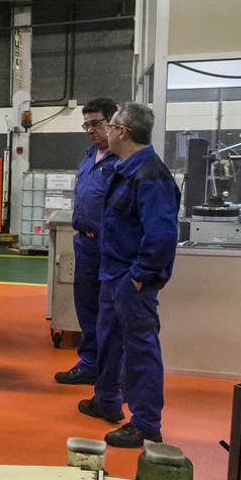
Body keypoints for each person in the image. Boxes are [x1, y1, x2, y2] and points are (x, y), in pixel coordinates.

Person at [75, 102, 180, 448]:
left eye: (109, 125)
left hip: (131, 278)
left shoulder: (150, 174)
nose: (101, 131)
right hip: (112, 271)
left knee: (139, 348)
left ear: (121, 132)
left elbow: (162, 233)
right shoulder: (124, 168)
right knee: (108, 339)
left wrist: (143, 274)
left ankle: (146, 422)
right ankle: (106, 399)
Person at [55, 99, 119, 385]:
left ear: (113, 122)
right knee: (86, 306)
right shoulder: (89, 155)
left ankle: (111, 372)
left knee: (110, 311)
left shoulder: (122, 160)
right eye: (87, 124)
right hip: (86, 244)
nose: (90, 129)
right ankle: (90, 363)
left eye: (96, 123)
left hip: (111, 246)